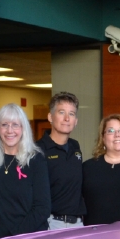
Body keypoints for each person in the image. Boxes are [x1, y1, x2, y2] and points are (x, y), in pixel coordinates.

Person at [0, 104, 50, 239]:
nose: (10, 130)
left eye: (15, 125)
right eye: (4, 125)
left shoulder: (35, 160)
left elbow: (42, 208)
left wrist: (14, 238)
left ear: (23, 129)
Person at [38, 92, 87, 230]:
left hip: (77, 224)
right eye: (61, 112)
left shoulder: (75, 147)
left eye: (71, 114)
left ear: (76, 121)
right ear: (50, 117)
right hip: (50, 223)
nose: (67, 118)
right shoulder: (37, 150)